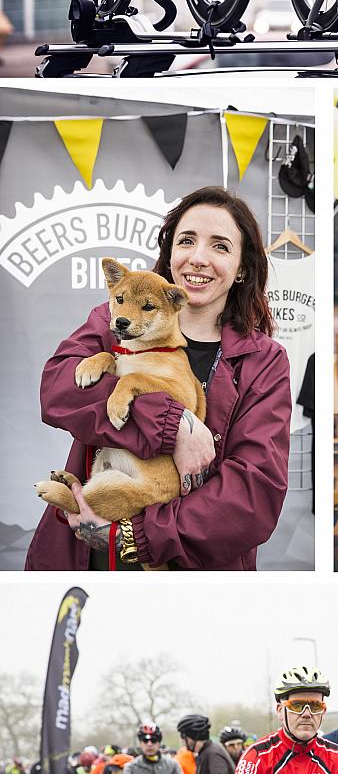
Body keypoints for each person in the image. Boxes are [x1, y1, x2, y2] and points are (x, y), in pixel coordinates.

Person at [26, 186, 292, 571]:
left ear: (242, 269)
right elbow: (57, 389)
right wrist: (173, 426)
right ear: (170, 255)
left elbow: (253, 493)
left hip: (188, 572)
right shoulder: (114, 319)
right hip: (82, 556)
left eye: (220, 246)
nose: (198, 258)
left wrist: (137, 536)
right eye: (187, 241)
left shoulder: (264, 361)